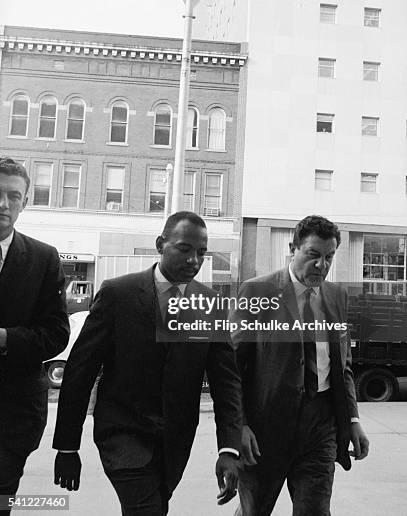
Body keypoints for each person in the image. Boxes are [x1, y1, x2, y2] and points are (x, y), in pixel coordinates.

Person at [53, 211, 242, 515]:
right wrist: (67, 445)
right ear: (160, 244)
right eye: (184, 249)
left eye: (202, 253)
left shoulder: (209, 306)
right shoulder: (118, 294)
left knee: (155, 508)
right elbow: (80, 370)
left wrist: (229, 449)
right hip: (123, 435)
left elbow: (226, 382)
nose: (194, 260)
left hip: (175, 442)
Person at [232, 215, 369, 516]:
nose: (322, 265)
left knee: (315, 511)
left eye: (329, 257)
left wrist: (353, 419)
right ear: (293, 248)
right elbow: (233, 369)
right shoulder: (257, 292)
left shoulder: (336, 296)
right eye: (313, 255)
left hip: (320, 427)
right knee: (254, 511)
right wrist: (237, 425)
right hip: (264, 430)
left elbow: (342, 366)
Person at [0, 157, 69, 514]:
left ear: (25, 202)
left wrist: (6, 338)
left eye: (13, 196)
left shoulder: (43, 258)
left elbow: (56, 333)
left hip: (12, 417)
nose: (4, 204)